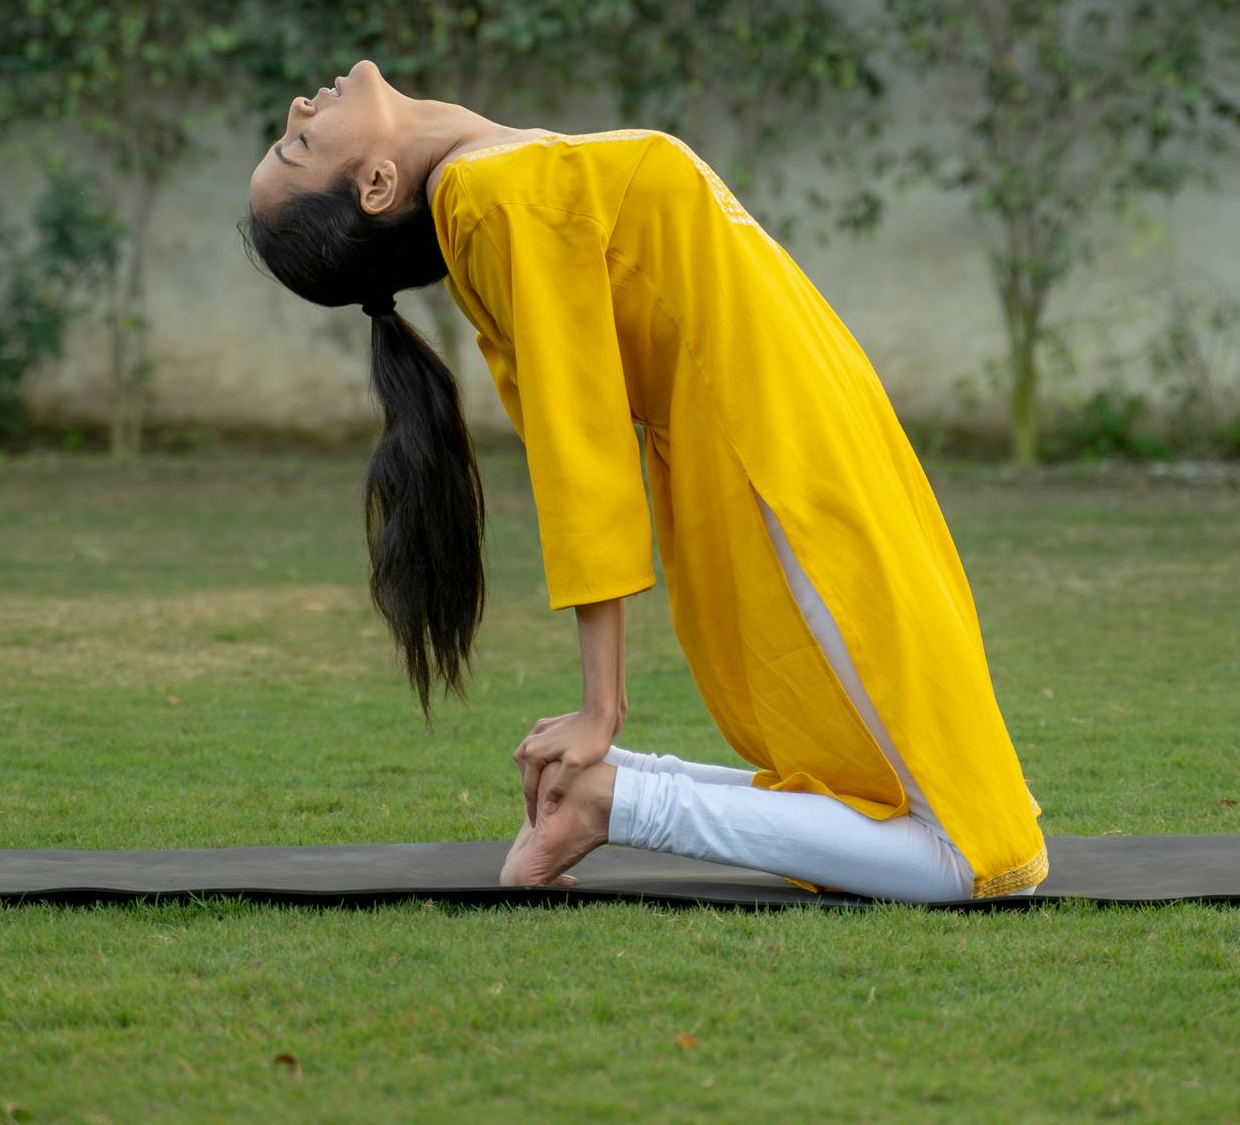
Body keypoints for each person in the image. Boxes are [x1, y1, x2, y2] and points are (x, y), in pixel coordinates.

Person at [240, 59, 1047, 902]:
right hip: (770, 464)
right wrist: (601, 703)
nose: (298, 106)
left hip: (818, 433)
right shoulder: (494, 197)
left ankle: (607, 785)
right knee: (974, 860)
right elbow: (578, 449)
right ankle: (611, 801)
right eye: (297, 144)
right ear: (376, 183)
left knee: (957, 798)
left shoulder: (499, 174)